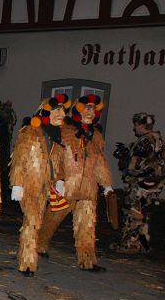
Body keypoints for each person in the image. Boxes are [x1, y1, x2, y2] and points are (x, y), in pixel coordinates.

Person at [37, 94, 113, 271]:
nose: (90, 112)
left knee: (87, 225)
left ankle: (87, 261)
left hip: (88, 188)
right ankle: (39, 243)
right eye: (87, 108)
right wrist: (58, 180)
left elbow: (100, 162)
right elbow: (56, 156)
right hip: (67, 186)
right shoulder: (66, 130)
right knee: (53, 218)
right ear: (79, 109)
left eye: (93, 109)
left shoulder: (96, 137)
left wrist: (107, 185)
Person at [10, 95, 69, 276]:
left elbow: (57, 163)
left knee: (36, 221)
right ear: (46, 112)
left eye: (63, 111)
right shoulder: (31, 132)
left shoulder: (58, 136)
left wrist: (59, 180)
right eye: (57, 110)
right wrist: (17, 183)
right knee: (33, 221)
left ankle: (27, 255)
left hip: (45, 188)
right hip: (30, 185)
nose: (62, 114)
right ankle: (27, 263)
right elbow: (20, 159)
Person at [111, 113, 165, 253]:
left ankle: (130, 245)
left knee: (133, 213)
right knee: (143, 215)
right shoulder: (158, 139)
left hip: (141, 185)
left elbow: (134, 167)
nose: (134, 128)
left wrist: (124, 157)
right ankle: (144, 245)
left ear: (141, 125)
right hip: (153, 185)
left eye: (135, 125)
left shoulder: (145, 141)